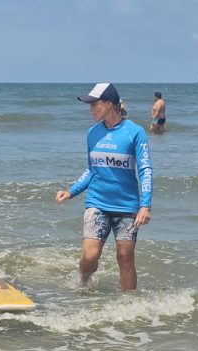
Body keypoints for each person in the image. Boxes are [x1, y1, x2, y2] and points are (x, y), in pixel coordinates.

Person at [55, 83, 152, 292]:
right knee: (90, 257)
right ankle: (83, 282)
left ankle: (128, 304)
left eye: (94, 105)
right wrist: (71, 191)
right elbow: (91, 170)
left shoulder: (135, 132)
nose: (91, 109)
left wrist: (145, 205)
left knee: (125, 257)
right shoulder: (92, 133)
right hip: (97, 202)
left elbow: (145, 170)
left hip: (127, 205)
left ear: (108, 104)